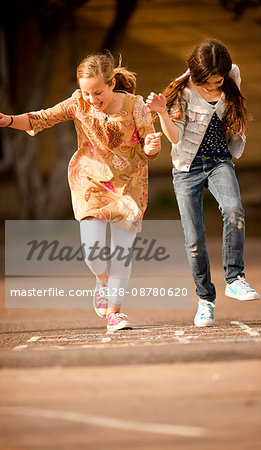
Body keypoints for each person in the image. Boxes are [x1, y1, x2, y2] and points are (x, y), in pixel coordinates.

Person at [0, 51, 161, 331]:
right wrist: (8, 120)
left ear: (112, 84)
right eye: (87, 93)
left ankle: (115, 312)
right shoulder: (78, 103)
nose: (92, 99)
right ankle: (102, 280)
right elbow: (41, 118)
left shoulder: (136, 106)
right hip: (90, 182)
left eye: (98, 93)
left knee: (122, 253)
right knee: (92, 253)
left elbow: (148, 141)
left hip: (130, 185)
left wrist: (152, 147)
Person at [146, 39, 260, 328]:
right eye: (206, 83)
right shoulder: (181, 92)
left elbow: (227, 71)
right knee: (195, 240)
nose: (213, 88)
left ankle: (235, 279)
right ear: (196, 77)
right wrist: (161, 112)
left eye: (217, 82)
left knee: (234, 211)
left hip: (219, 160)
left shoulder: (231, 75)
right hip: (187, 167)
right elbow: (174, 138)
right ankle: (205, 300)